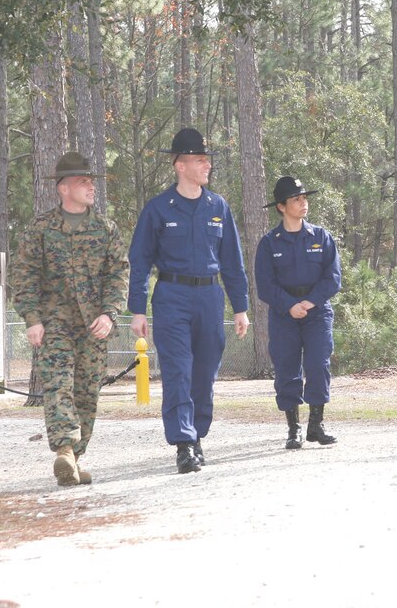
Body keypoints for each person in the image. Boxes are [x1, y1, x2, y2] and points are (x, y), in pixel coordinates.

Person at [127, 128, 250, 473]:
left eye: (207, 159)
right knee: (178, 369)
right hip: (172, 296)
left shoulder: (218, 206)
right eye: (199, 160)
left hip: (210, 296)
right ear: (180, 165)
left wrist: (240, 307)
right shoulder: (158, 209)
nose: (207, 165)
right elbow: (139, 261)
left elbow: (233, 262)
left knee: (205, 370)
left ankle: (197, 434)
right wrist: (137, 309)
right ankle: (183, 442)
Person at [10, 152, 129, 486]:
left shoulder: (105, 229)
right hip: (54, 324)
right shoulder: (40, 229)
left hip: (94, 326)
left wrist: (109, 313)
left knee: (87, 393)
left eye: (91, 182)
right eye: (83, 182)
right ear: (63, 188)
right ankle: (63, 448)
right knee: (58, 384)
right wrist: (32, 318)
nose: (91, 187)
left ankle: (75, 459)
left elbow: (119, 275)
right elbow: (24, 276)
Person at [255, 176, 342, 449]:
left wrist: (310, 302)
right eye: (296, 199)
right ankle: (294, 428)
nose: (303, 203)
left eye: (304, 198)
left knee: (318, 364)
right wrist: (289, 305)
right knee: (286, 369)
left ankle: (316, 424)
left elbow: (333, 278)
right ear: (281, 207)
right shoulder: (269, 243)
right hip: (284, 314)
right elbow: (265, 285)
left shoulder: (321, 237)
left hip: (317, 312)